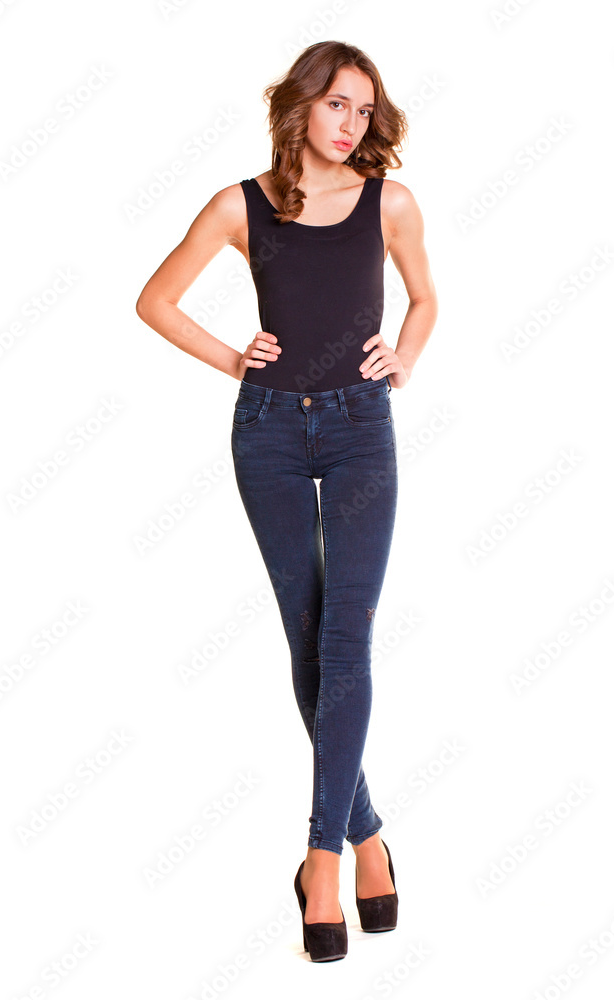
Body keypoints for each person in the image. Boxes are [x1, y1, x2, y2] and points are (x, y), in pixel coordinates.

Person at [135, 40, 437, 962]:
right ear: (301, 104)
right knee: (306, 638)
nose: (351, 123)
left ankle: (321, 860)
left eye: (364, 109)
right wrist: (235, 359)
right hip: (267, 430)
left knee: (348, 639)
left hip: (360, 427)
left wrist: (403, 358)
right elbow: (155, 300)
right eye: (337, 104)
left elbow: (425, 300)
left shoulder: (390, 202)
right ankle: (369, 835)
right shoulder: (241, 205)